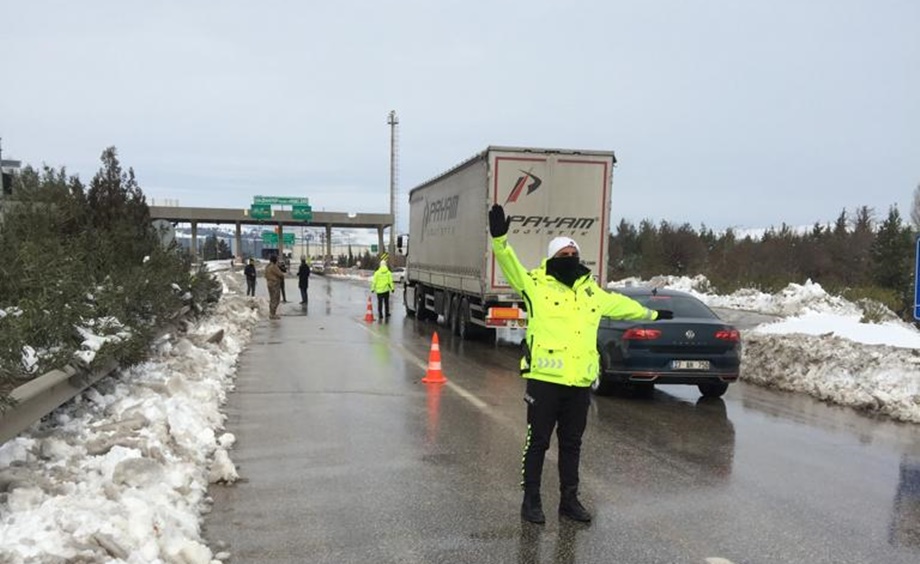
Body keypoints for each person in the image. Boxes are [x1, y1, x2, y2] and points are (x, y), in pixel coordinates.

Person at [488, 204, 672, 525]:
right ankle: (531, 500)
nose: (570, 257)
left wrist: (653, 314)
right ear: (552, 257)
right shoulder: (534, 285)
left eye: (574, 253)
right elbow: (509, 264)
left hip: (579, 384)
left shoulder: (591, 293)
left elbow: (622, 306)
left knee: (572, 445)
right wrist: (500, 241)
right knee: (538, 442)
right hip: (545, 381)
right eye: (564, 253)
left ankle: (569, 501)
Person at [370, 254, 395, 320]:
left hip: (379, 291)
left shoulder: (377, 273)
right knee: (386, 303)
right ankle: (387, 313)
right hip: (386, 290)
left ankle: (380, 314)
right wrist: (392, 289)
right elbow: (390, 281)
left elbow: (374, 282)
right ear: (385, 265)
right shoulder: (388, 273)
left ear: (380, 265)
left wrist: (372, 289)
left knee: (380, 303)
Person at [264, 255, 285, 319]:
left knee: (272, 299)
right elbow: (280, 274)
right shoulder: (274, 266)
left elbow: (265, 274)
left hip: (269, 283)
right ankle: (273, 314)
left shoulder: (267, 266)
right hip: (275, 284)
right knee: (276, 299)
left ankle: (271, 313)